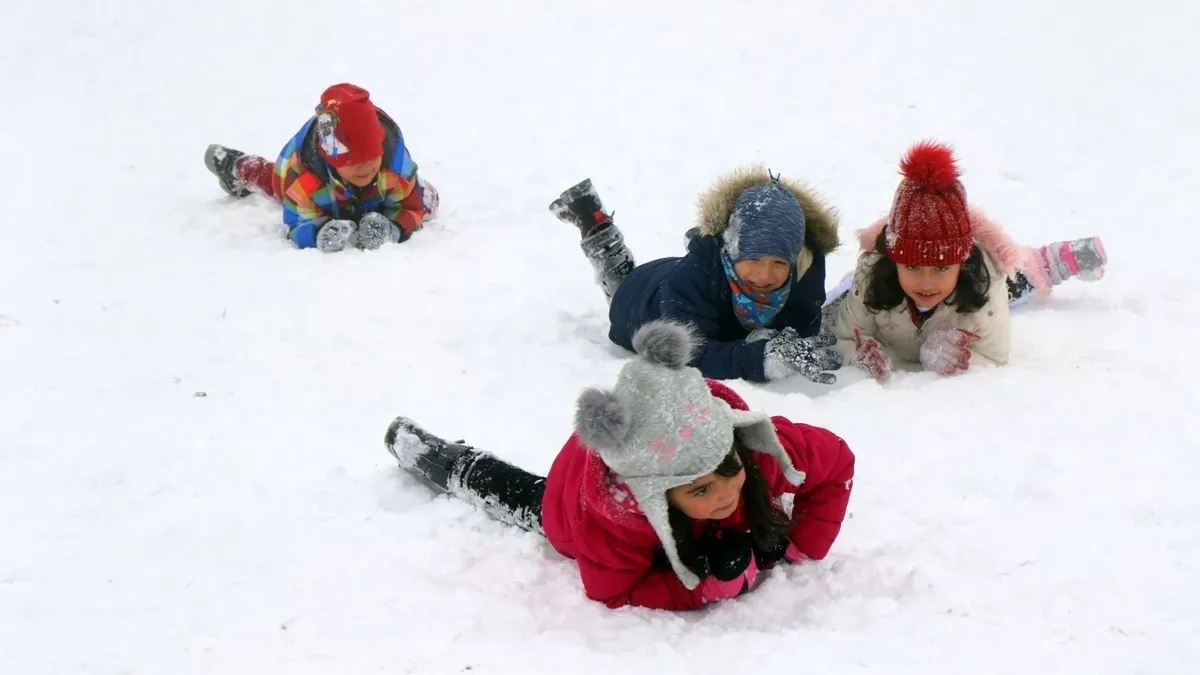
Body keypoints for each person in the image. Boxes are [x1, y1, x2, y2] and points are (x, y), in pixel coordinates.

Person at [384, 320, 856, 611]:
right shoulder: (616, 519)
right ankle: (438, 458)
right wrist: (701, 589)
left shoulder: (754, 448)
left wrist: (801, 545)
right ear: (656, 494)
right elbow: (612, 591)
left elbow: (836, 464)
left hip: (647, 454)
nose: (725, 494)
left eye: (728, 470)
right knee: (525, 497)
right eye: (699, 489)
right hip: (572, 502)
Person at [826, 140, 1107, 380]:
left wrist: (958, 359)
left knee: (1014, 281)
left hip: (969, 292)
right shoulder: (871, 279)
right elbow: (840, 339)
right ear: (894, 260)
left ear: (962, 261)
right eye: (912, 266)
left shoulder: (985, 285)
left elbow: (995, 357)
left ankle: (1049, 262)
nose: (926, 282)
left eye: (941, 267)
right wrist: (860, 355)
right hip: (887, 289)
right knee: (838, 301)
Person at [548, 168, 843, 384]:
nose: (765, 275)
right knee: (620, 281)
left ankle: (703, 246)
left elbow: (804, 325)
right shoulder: (690, 281)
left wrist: (780, 341)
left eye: (779, 262)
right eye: (753, 258)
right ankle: (597, 227)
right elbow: (690, 354)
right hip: (641, 300)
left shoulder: (806, 269)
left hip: (695, 279)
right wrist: (760, 358)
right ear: (732, 251)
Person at [203, 83, 439, 252]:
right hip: (313, 186)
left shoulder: (396, 170)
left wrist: (393, 228)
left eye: (371, 157)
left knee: (427, 200)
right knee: (274, 183)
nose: (365, 167)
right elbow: (296, 223)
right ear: (331, 158)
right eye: (352, 161)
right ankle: (235, 165)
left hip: (377, 193)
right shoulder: (304, 181)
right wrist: (317, 233)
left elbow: (412, 207)